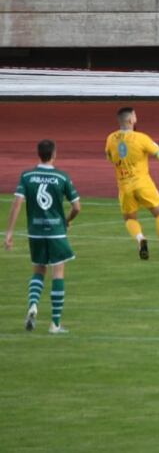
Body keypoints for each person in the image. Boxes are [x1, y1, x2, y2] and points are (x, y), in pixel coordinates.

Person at [4, 139, 81, 334]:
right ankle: (55, 324)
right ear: (54, 154)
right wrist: (66, 220)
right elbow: (77, 207)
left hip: (35, 232)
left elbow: (17, 203)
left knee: (38, 271)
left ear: (38, 154)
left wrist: (10, 233)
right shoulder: (62, 177)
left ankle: (33, 305)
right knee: (58, 272)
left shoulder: (27, 175)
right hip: (56, 231)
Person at [104, 107, 159, 260]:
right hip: (143, 183)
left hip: (124, 185)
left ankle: (140, 238)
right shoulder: (141, 138)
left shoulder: (110, 138)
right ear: (130, 120)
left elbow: (110, 158)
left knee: (130, 218)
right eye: (135, 116)